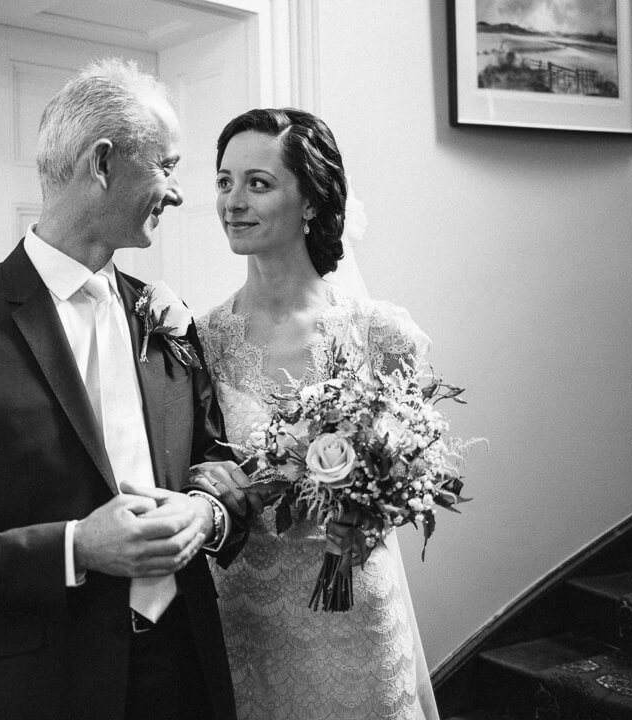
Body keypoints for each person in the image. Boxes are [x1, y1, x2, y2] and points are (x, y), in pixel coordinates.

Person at [0, 58, 249, 720]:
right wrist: (76, 547)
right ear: (102, 164)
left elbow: (219, 458)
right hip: (38, 691)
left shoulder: (165, 313)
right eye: (167, 165)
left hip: (185, 675)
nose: (179, 194)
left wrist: (206, 514)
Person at [193, 108, 441, 719]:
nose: (233, 201)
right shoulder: (199, 340)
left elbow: (420, 466)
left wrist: (371, 513)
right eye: (224, 181)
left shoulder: (380, 332)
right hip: (245, 612)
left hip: (353, 606)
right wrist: (207, 481)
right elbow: (189, 461)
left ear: (309, 202)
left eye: (258, 182)